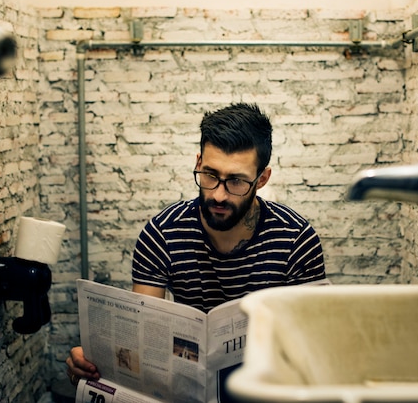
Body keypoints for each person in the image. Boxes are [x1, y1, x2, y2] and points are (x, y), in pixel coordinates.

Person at [66, 102, 327, 385]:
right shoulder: (162, 235)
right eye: (210, 175)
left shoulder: (296, 239)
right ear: (198, 163)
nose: (218, 195)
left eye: (237, 181)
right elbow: (144, 339)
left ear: (262, 179)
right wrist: (93, 364)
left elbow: (309, 348)